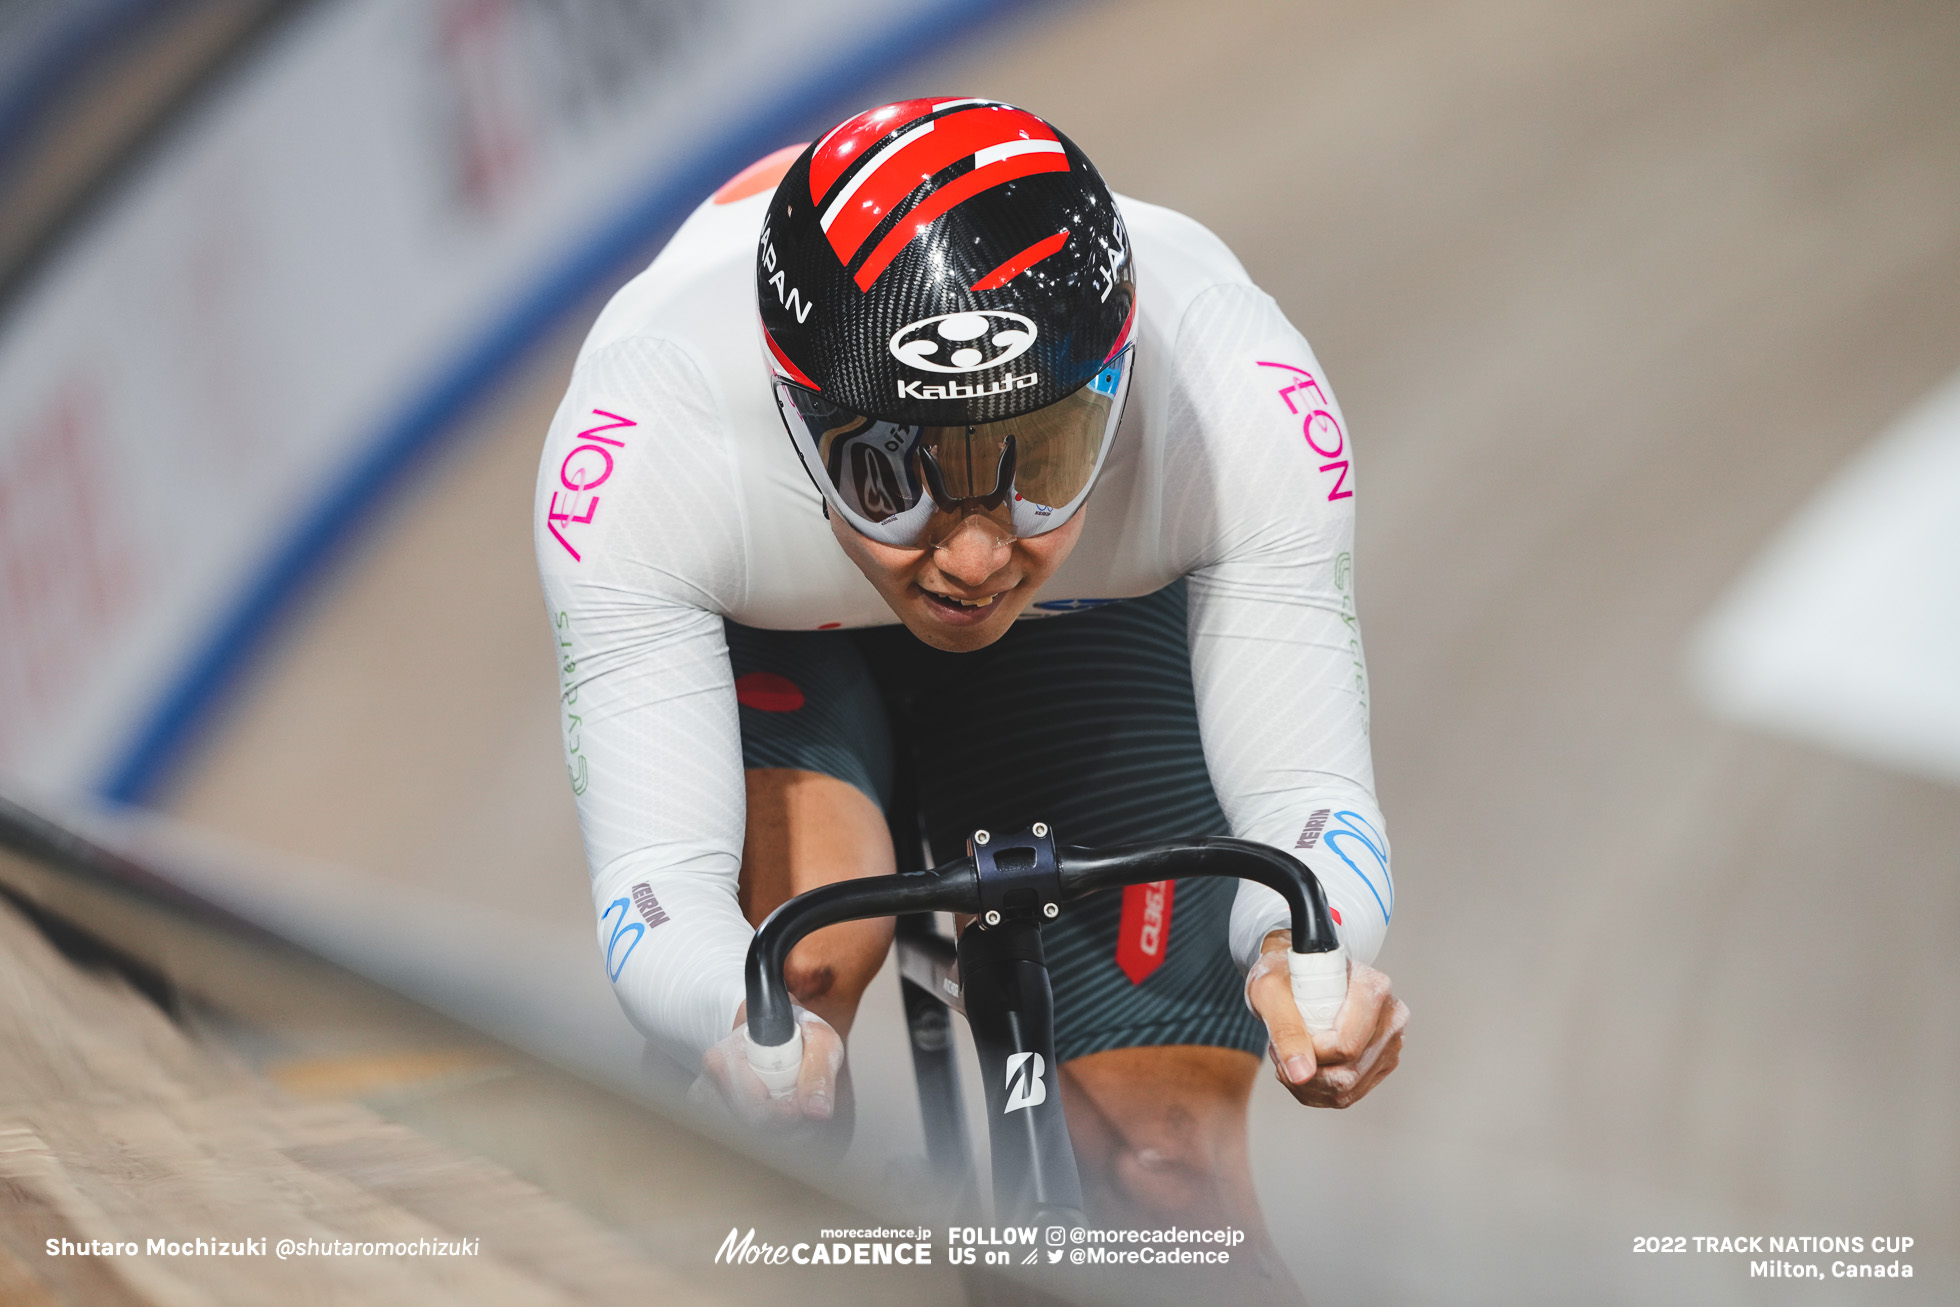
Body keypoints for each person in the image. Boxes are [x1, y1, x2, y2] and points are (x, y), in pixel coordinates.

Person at [535, 97, 1408, 1293]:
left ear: (1118, 381)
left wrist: (1307, 964)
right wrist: (738, 1026)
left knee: (1164, 1175)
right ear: (792, 405)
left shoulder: (1235, 388)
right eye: (893, 473)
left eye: (1041, 464)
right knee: (787, 1001)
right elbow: (657, 888)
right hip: (776, 624)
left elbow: (1303, 793)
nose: (975, 557)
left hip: (1075, 628)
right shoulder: (647, 437)